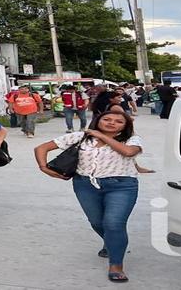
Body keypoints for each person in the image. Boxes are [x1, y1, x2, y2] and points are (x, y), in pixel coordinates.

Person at [33, 110, 144, 283]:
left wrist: (101, 136)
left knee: (114, 223)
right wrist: (44, 167)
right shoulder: (81, 137)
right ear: (98, 120)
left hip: (121, 186)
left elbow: (128, 152)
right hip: (85, 185)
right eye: (106, 119)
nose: (111, 123)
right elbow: (41, 147)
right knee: (97, 222)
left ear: (125, 126)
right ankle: (111, 243)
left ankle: (116, 265)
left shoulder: (132, 139)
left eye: (118, 121)